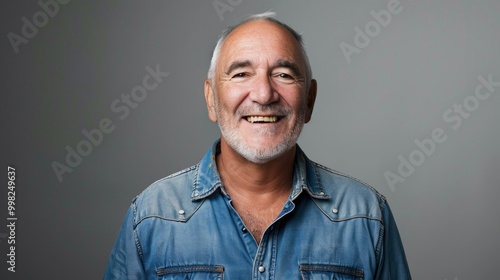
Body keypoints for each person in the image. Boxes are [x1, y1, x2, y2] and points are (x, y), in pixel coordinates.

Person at [104, 12, 411, 279]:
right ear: (211, 98)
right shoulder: (151, 216)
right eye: (241, 74)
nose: (264, 94)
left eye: (283, 74)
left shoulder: (366, 216)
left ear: (309, 101)